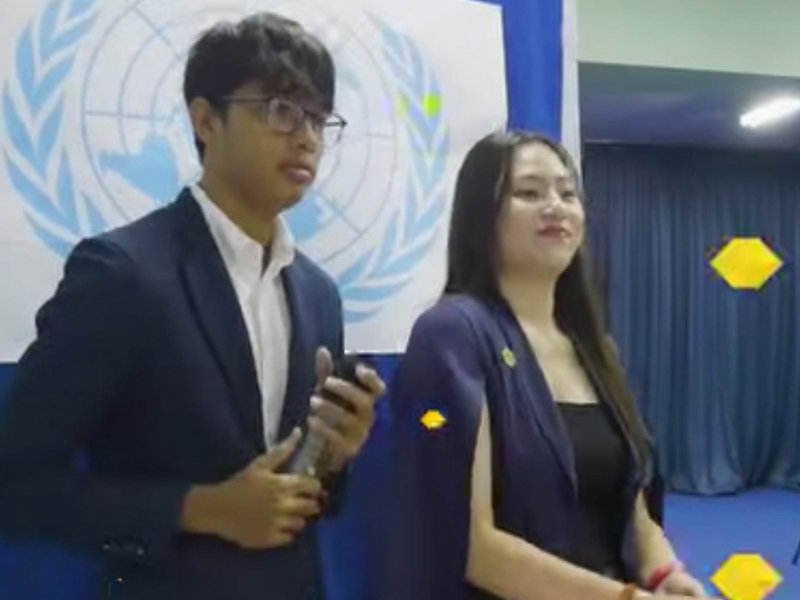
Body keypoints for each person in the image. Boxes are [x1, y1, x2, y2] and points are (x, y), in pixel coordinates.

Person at [0, 13, 384, 600]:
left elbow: (306, 501)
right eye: (281, 109)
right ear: (205, 120)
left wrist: (333, 455)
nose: (306, 137)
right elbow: (16, 486)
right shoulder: (122, 274)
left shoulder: (317, 293)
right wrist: (197, 508)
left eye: (317, 117)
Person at [384, 131, 711, 600]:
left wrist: (665, 575)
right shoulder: (452, 335)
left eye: (567, 193)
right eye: (529, 192)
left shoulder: (594, 349)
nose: (555, 206)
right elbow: (473, 546)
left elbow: (630, 505)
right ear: (482, 215)